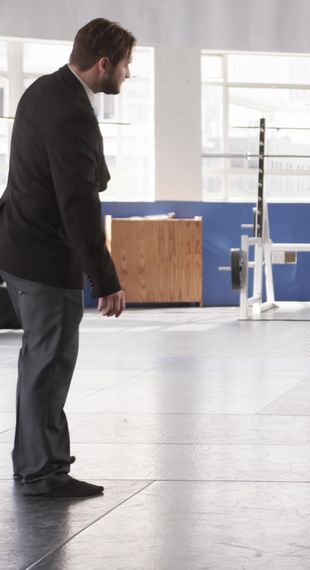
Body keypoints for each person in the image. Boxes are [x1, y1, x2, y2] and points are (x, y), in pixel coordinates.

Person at [0, 18, 134, 497]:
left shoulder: (43, 91)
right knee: (49, 363)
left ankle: (39, 465)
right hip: (43, 259)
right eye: (125, 65)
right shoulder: (74, 114)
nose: (127, 74)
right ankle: (41, 473)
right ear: (104, 64)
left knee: (40, 361)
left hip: (17, 248)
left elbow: (80, 175)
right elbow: (80, 202)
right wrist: (106, 278)